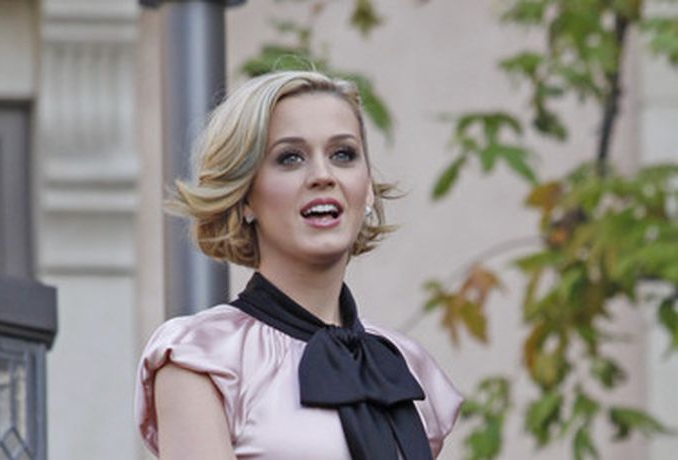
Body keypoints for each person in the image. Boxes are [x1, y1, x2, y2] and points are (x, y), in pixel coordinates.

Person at [134, 70, 463, 459]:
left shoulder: (404, 365)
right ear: (245, 196)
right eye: (290, 158)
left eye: (343, 154)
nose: (323, 176)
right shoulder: (202, 356)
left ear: (368, 190)